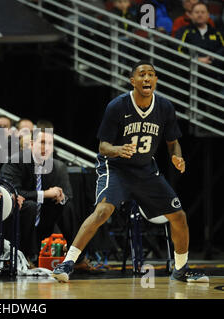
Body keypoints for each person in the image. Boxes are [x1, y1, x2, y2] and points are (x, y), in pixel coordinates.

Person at [52, 61, 209, 284]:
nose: (147, 78)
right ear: (132, 81)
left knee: (179, 216)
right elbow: (103, 147)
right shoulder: (117, 106)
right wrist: (117, 149)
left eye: (151, 75)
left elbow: (173, 142)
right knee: (103, 211)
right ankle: (68, 262)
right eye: (142, 74)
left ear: (156, 81)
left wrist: (177, 156)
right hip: (116, 168)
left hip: (146, 170)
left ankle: (181, 269)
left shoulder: (164, 107)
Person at [0, 128, 72, 265]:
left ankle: (77, 257)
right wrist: (45, 194)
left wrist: (61, 197)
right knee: (29, 206)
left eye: (50, 143)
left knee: (66, 207)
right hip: (16, 214)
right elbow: (13, 192)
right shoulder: (16, 161)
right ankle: (23, 257)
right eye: (43, 142)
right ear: (32, 144)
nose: (47, 147)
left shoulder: (58, 166)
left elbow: (68, 194)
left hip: (44, 218)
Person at [176, 2, 224, 67]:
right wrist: (197, 60)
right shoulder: (184, 31)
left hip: (214, 69)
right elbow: (178, 51)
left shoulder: (217, 33)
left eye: (203, 12)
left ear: (208, 15)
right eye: (197, 12)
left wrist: (212, 59)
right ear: (191, 15)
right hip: (192, 68)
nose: (200, 15)